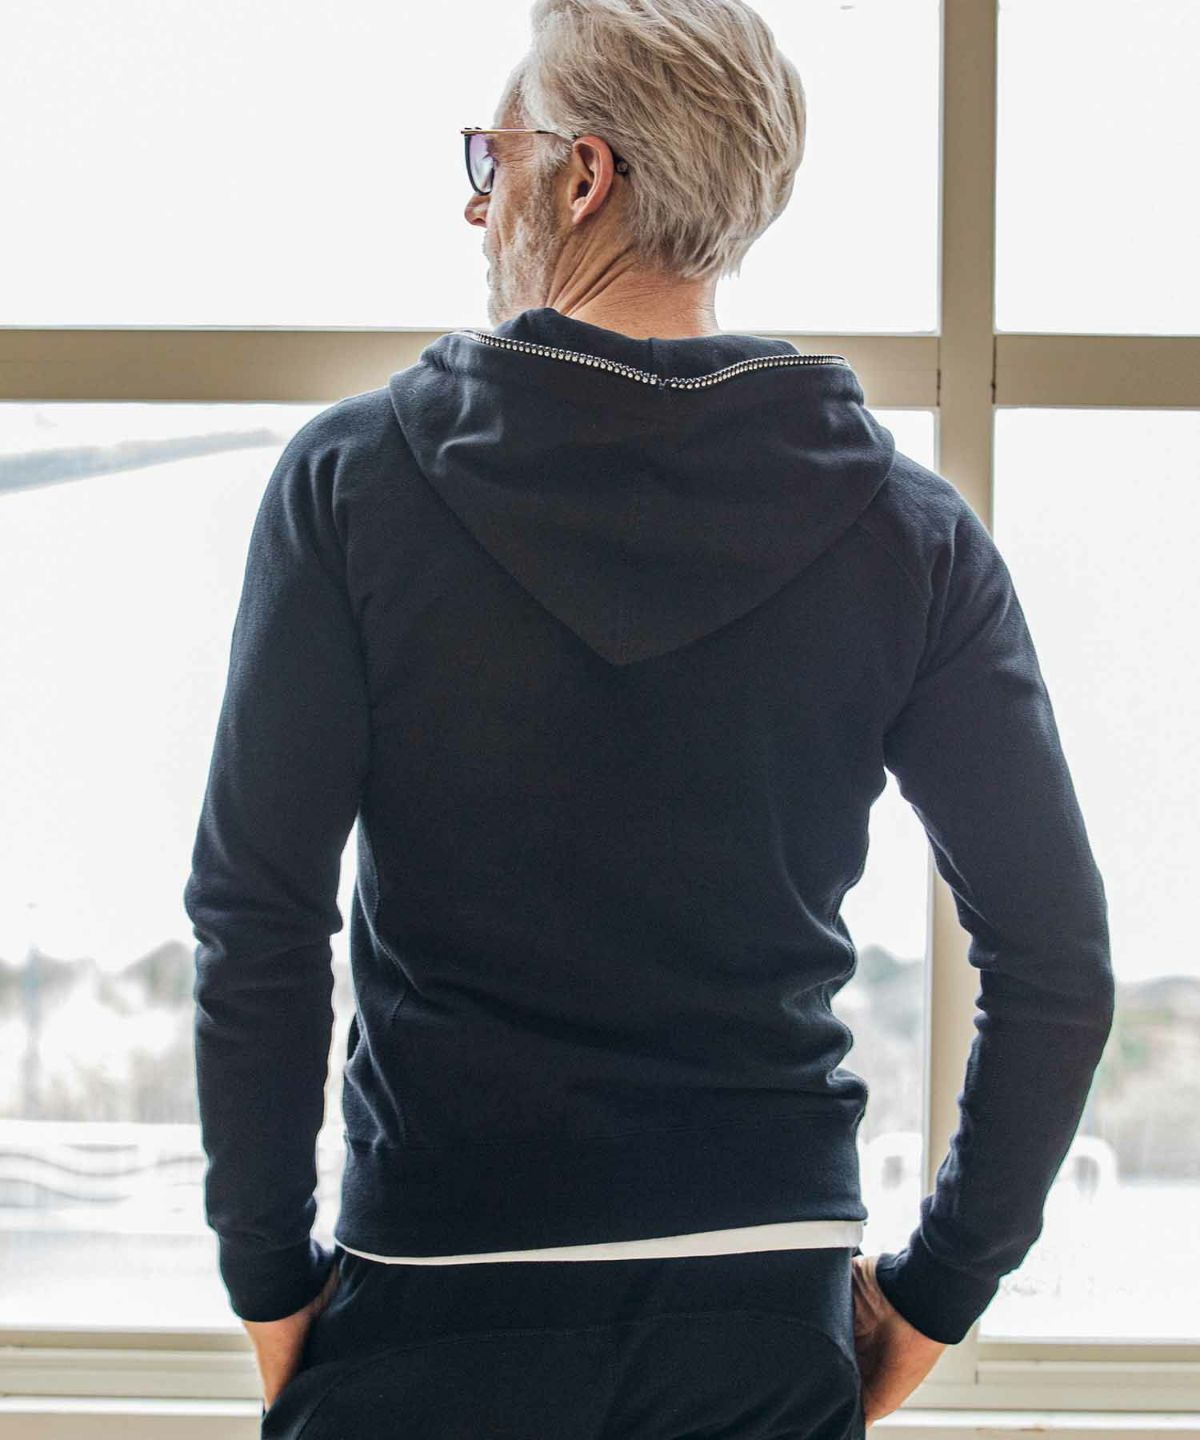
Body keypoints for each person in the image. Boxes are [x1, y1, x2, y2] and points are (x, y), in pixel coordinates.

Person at [183, 1, 1115, 1436]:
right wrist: (937, 1295)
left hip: (433, 1292)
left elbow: (257, 917)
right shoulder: (909, 532)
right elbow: (1057, 965)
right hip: (760, 1316)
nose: (476, 201)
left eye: (492, 157)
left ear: (582, 175)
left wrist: (266, 1277)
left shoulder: (352, 484)